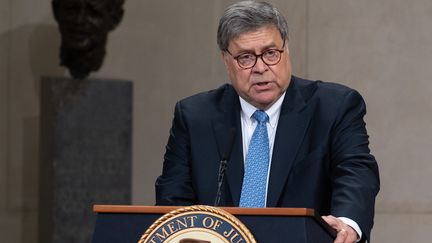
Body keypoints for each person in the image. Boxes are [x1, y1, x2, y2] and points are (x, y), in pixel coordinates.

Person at [155, 1, 380, 243]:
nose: (261, 68)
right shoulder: (194, 116)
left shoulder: (334, 107)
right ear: (225, 60)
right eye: (245, 57)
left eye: (271, 53)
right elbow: (172, 202)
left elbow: (356, 173)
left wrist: (346, 224)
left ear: (287, 49)